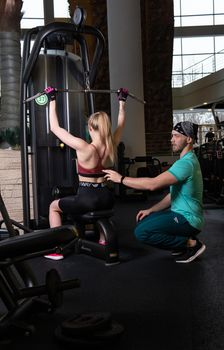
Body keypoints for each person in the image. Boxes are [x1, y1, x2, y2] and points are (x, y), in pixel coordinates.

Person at [44, 86, 128, 260]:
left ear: (91, 127)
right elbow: (121, 124)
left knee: (53, 206)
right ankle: (104, 242)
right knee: (91, 207)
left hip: (87, 198)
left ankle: (57, 249)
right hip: (107, 197)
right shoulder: (112, 144)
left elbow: (55, 128)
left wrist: (52, 99)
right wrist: (122, 101)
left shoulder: (84, 147)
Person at [103, 121, 206, 264]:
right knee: (144, 222)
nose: (171, 140)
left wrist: (121, 179)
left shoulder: (186, 164)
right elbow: (172, 196)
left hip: (187, 219)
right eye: (171, 136)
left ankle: (191, 244)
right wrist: (150, 210)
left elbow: (153, 184)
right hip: (181, 215)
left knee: (142, 233)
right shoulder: (188, 160)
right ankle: (180, 245)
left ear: (189, 139)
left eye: (176, 136)